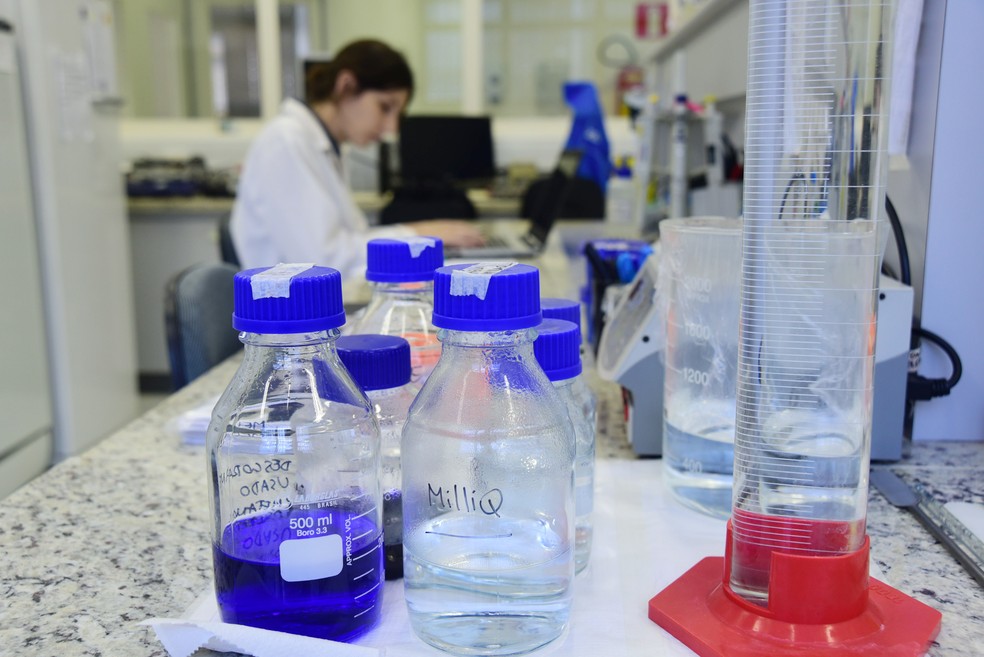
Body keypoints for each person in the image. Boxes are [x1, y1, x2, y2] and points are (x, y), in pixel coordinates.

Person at [230, 39, 483, 280]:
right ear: (346, 86)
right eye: (385, 107)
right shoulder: (286, 141)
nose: (391, 128)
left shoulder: (325, 147)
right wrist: (419, 233)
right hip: (289, 316)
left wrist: (421, 233)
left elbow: (352, 239)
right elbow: (324, 261)